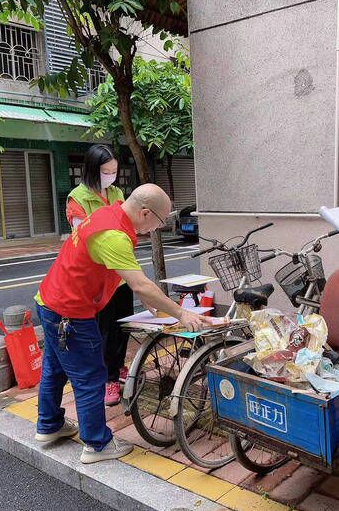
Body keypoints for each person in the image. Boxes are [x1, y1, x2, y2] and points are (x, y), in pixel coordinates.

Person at [33, 184, 211, 464]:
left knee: (54, 369)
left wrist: (148, 299)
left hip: (49, 302)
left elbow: (114, 271)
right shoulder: (114, 235)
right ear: (144, 213)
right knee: (90, 378)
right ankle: (97, 444)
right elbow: (139, 282)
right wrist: (181, 313)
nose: (157, 229)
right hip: (71, 312)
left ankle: (49, 424)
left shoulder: (107, 215)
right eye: (160, 222)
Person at [67, 144, 132, 407]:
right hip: (97, 277)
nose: (111, 176)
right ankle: (109, 379)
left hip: (121, 273)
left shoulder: (116, 192)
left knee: (123, 326)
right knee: (105, 330)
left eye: (114, 171)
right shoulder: (78, 198)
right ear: (93, 170)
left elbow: (126, 222)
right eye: (106, 171)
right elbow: (84, 237)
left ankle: (117, 366)